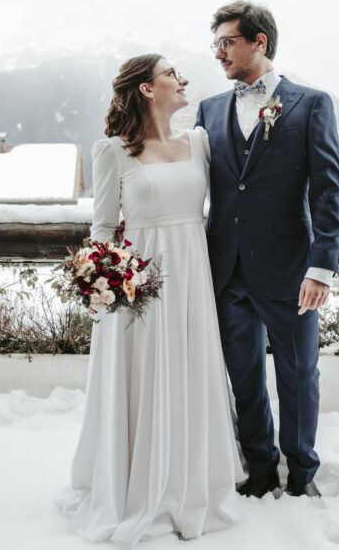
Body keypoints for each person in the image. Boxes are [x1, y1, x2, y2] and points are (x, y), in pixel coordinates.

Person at [56, 54, 246, 547]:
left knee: (187, 369)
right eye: (170, 74)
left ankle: (188, 483)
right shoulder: (112, 151)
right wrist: (103, 283)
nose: (182, 80)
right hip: (137, 283)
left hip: (190, 273)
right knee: (143, 376)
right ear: (146, 88)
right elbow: (101, 229)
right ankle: (132, 485)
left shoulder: (199, 142)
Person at [194, 0, 339, 498]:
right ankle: (258, 471)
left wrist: (322, 267)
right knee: (245, 379)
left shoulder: (310, 104)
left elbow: (327, 191)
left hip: (290, 271)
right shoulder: (209, 110)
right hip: (226, 271)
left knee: (299, 376)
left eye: (227, 42)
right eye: (214, 44)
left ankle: (302, 475)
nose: (218, 53)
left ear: (259, 41)